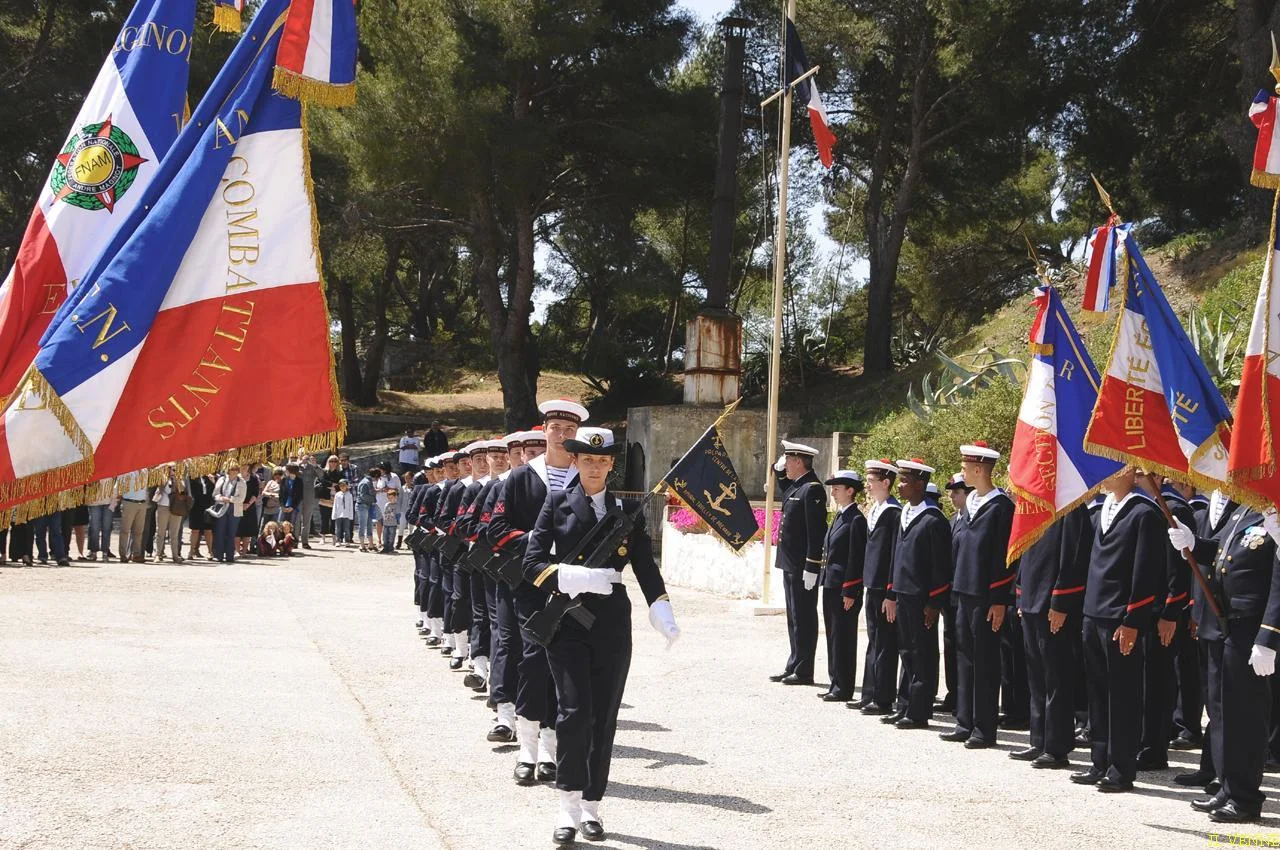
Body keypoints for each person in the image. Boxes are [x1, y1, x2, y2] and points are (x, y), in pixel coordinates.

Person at [523, 426, 679, 844]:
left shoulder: (626, 512)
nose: (595, 467)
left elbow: (645, 564)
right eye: (587, 460)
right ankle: (567, 807)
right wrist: (577, 576)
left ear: (611, 466)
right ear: (574, 460)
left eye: (603, 461)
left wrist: (660, 605)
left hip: (610, 623)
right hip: (567, 622)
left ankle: (592, 805)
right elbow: (531, 564)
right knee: (575, 713)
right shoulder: (555, 504)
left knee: (604, 716)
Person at [488, 399, 589, 787]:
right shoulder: (520, 478)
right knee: (531, 662)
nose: (562, 436)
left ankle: (551, 749)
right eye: (556, 429)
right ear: (544, 430)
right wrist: (535, 540)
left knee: (561, 666)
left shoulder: (586, 477)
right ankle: (527, 750)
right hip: (529, 584)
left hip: (569, 588)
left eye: (570, 431)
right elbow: (497, 530)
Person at [1168, 491, 1280, 822]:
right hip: (1223, 624)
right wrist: (1192, 542)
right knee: (1221, 711)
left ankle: (1246, 798)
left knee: (1245, 715)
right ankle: (1228, 787)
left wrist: (1269, 636)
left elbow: (1278, 582)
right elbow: (1220, 552)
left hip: (1251, 629)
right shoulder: (1245, 510)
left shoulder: (1273, 517)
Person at [1070, 466, 1166, 793]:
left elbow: (1145, 570)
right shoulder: (1105, 508)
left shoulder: (1144, 513)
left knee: (1122, 695)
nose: (1104, 473)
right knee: (1097, 692)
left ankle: (1121, 767)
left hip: (1119, 619)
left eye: (1111, 466)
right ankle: (1100, 760)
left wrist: (1133, 620)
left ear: (1128, 470)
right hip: (1093, 613)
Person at [941, 442, 1014, 750]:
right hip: (963, 592)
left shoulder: (1001, 508)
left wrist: (999, 600)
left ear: (979, 469)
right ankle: (965, 720)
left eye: (965, 466)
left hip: (986, 597)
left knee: (985, 661)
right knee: (965, 658)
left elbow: (1005, 558)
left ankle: (984, 727)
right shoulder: (970, 502)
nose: (961, 471)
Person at [1015, 504, 1091, 769]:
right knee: (1036, 677)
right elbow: (1026, 553)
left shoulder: (1071, 508)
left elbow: (1073, 559)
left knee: (1056, 678)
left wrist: (1061, 603)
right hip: (1032, 601)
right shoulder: (1035, 507)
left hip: (1053, 605)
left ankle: (1057, 747)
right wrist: (1022, 594)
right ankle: (1039, 740)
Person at [883, 458, 951, 729]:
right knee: (906, 650)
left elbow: (941, 566)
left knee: (922, 652)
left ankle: (920, 710)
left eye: (905, 481)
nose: (900, 486)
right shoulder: (905, 514)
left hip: (922, 597)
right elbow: (895, 556)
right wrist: (891, 591)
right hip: (903, 592)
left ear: (920, 484)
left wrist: (935, 601)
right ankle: (905, 704)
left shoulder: (934, 520)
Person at [1136, 474, 1194, 771]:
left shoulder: (1174, 508)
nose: (1134, 478)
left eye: (1139, 473)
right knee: (1143, 681)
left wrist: (1171, 613)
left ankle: (1154, 748)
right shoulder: (1145, 506)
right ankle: (1142, 741)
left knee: (1157, 681)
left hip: (1162, 612)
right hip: (1144, 610)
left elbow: (1180, 569)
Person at [766, 440, 827, 687]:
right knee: (793, 617)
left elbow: (816, 532)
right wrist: (777, 468)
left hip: (802, 566)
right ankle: (794, 663)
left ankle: (804, 670)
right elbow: (783, 484)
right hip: (790, 564)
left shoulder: (812, 489)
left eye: (788, 461)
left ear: (799, 462)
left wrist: (812, 565)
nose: (786, 465)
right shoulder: (798, 486)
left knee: (803, 617)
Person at [854, 459, 901, 715]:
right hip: (871, 585)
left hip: (884, 588)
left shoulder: (893, 513)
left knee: (884, 642)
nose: (867, 486)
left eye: (871, 481)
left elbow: (894, 554)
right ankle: (870, 692)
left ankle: (883, 697)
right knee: (874, 640)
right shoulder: (876, 510)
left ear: (886, 483)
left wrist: (891, 591)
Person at [820, 470, 867, 703]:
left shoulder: (857, 519)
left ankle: (844, 685)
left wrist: (851, 590)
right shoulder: (840, 516)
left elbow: (856, 558)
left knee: (844, 637)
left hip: (844, 587)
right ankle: (834, 680)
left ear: (851, 491)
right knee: (832, 635)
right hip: (830, 583)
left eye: (838, 488)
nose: (834, 492)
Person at [151, 465, 188, 563]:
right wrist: (164, 473)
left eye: (174, 469)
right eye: (170, 469)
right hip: (163, 506)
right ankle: (158, 554)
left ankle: (175, 555)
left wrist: (176, 478)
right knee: (160, 532)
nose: (172, 471)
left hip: (176, 508)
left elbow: (182, 489)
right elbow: (156, 477)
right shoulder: (161, 477)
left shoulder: (179, 479)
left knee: (174, 533)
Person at [211, 463, 247, 564]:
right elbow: (215, 493)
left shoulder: (242, 482)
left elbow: (241, 498)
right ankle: (219, 555)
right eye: (232, 470)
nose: (234, 472)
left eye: (236, 470)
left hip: (234, 509)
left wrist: (230, 499)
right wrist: (221, 498)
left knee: (231, 533)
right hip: (221, 507)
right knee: (220, 531)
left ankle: (230, 556)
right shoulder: (222, 479)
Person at [117, 474, 150, 563]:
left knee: (139, 531)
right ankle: (123, 554)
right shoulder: (126, 471)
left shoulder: (145, 470)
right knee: (125, 530)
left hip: (142, 503)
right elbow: (118, 487)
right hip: (129, 502)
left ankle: (136, 554)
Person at [187, 473, 215, 559]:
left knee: (208, 530)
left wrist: (213, 482)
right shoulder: (192, 478)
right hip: (196, 506)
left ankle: (210, 552)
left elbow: (215, 492)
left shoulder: (210, 478)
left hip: (207, 506)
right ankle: (191, 551)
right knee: (195, 530)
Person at [236, 463, 261, 556]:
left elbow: (255, 493)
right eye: (243, 465)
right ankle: (237, 551)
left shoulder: (253, 478)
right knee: (237, 530)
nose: (244, 467)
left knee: (247, 530)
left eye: (246, 466)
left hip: (249, 506)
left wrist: (248, 504)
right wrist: (239, 504)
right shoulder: (236, 478)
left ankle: (245, 551)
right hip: (237, 505)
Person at [296, 454, 320, 549]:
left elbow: (321, 475)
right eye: (304, 458)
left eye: (307, 458)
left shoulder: (313, 467)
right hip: (298, 496)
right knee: (296, 520)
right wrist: (299, 463)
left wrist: (315, 466)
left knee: (306, 521)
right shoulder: (297, 466)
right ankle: (294, 541)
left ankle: (305, 542)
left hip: (309, 496)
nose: (306, 460)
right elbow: (287, 472)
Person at [86, 489, 115, 562]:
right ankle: (93, 552)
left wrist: (115, 501)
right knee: (94, 528)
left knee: (107, 528)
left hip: (109, 501)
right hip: (94, 501)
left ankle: (105, 552)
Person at [332, 479, 354, 546]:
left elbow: (351, 506)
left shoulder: (349, 495)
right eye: (341, 485)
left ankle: (347, 541)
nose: (342, 487)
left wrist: (351, 515)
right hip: (339, 514)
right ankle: (338, 541)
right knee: (338, 529)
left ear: (347, 486)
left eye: (344, 485)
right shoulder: (337, 495)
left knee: (347, 529)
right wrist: (334, 514)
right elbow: (335, 505)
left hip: (346, 514)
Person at [381, 489, 399, 553]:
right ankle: (385, 547)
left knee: (391, 537)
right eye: (389, 498)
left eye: (391, 498)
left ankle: (390, 548)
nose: (390, 499)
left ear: (395, 497)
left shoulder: (397, 505)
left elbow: (398, 515)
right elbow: (384, 513)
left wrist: (398, 522)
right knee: (385, 536)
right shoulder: (387, 505)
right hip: (386, 524)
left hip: (393, 524)